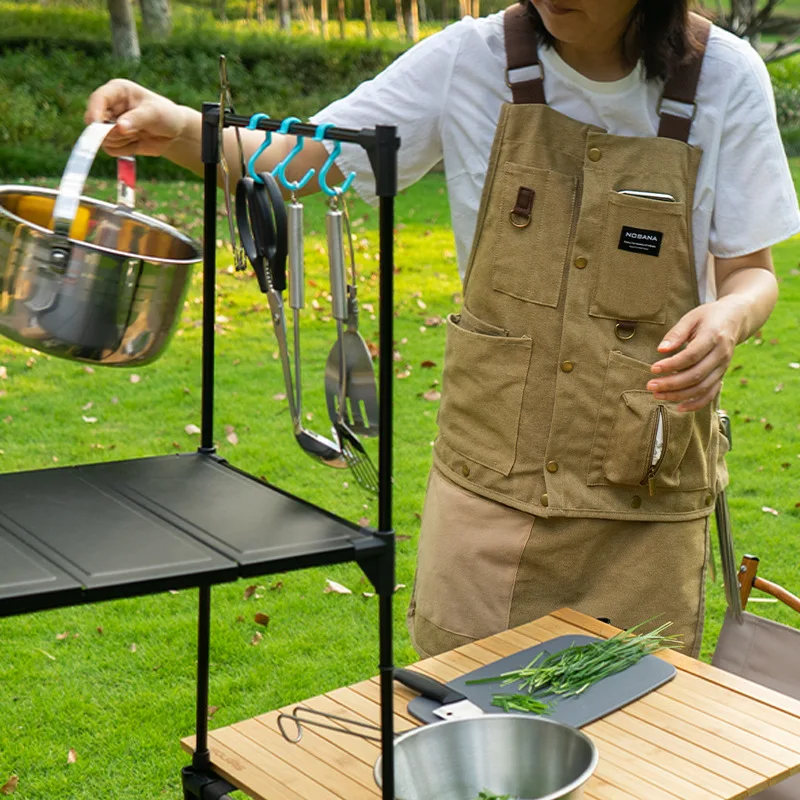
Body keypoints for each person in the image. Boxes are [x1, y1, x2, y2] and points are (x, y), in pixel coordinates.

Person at [86, 0, 800, 659]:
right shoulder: (470, 60)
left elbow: (751, 273)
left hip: (645, 493)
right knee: (465, 729)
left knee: (637, 750)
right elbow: (302, 160)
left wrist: (730, 319)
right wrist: (182, 127)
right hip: (489, 486)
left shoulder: (725, 79)